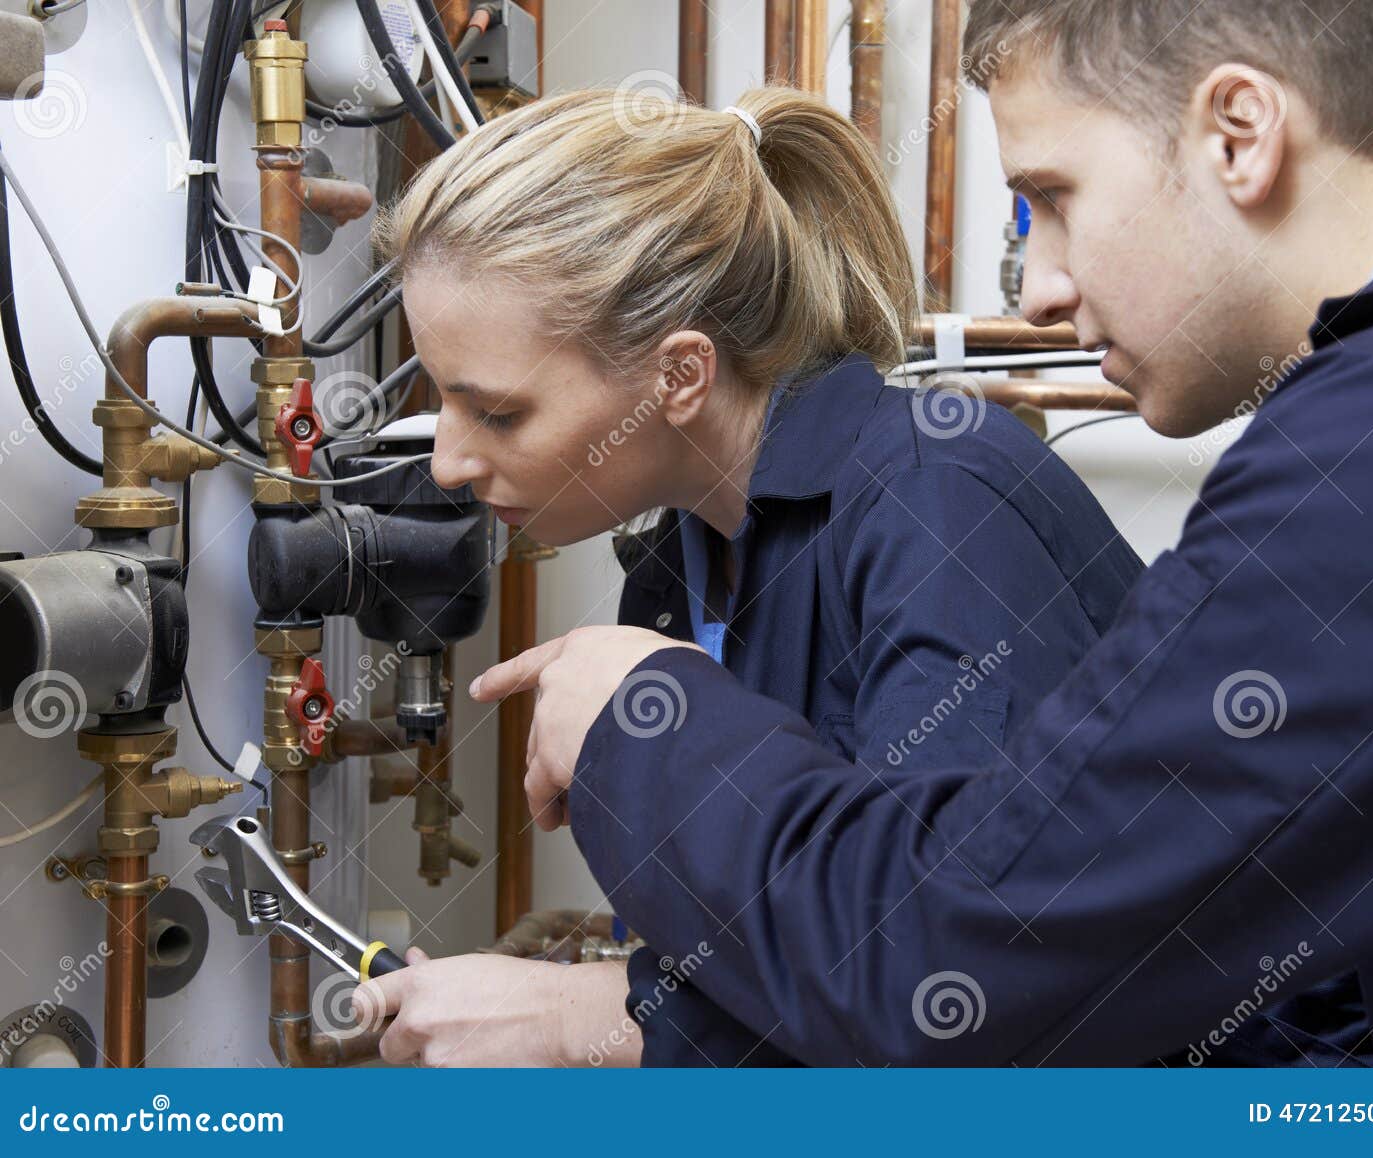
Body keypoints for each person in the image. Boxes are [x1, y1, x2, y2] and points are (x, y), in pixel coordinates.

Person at [475, 0, 1373, 1066]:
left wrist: (640, 720)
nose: (1042, 289)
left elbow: (953, 966)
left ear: (1239, 134)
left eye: (1051, 198)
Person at [351, 84, 1160, 1066]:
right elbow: (769, 967)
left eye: (500, 412)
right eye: (442, 400)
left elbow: (965, 1006)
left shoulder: (939, 502)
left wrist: (586, 1023)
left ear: (680, 375)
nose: (447, 462)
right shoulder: (671, 578)